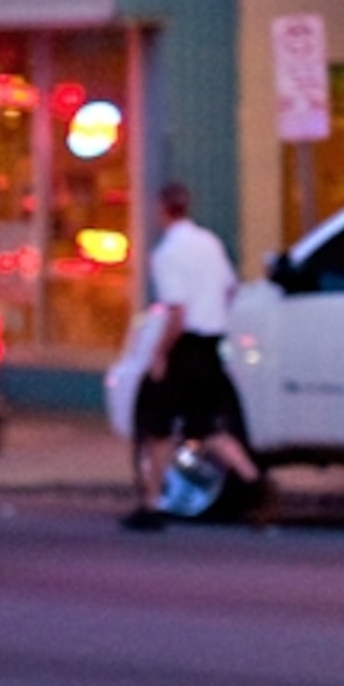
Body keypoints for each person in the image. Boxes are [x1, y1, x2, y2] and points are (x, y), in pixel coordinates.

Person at [125, 181, 264, 531]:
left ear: (161, 210)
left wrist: (159, 355)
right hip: (211, 344)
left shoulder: (167, 253)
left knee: (158, 428)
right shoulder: (210, 243)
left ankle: (152, 504)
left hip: (184, 346)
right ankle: (254, 483)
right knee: (208, 426)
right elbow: (230, 289)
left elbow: (177, 313)